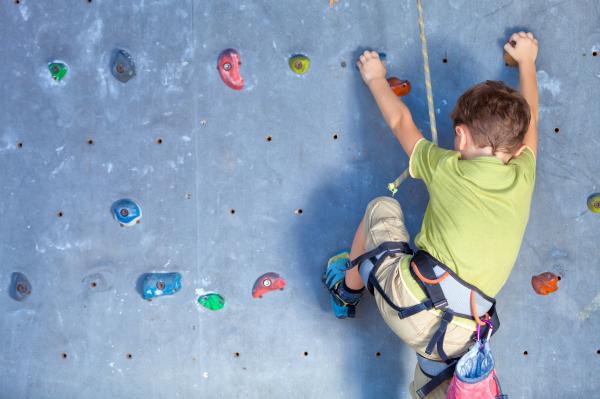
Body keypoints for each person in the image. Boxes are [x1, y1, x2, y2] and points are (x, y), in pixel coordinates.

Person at [323, 32, 539, 398]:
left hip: (411, 304)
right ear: (517, 150)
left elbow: (400, 124)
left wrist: (375, 76)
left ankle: (346, 291)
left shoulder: (447, 167)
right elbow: (531, 127)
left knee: (381, 208)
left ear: (460, 137)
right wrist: (529, 62)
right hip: (457, 337)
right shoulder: (524, 176)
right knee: (439, 379)